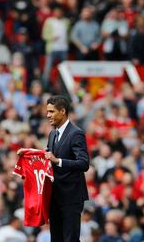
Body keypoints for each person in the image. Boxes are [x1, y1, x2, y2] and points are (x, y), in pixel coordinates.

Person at [45, 95, 90, 241]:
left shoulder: (76, 133)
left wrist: (58, 161)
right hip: (55, 195)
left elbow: (83, 163)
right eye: (48, 112)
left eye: (51, 112)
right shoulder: (52, 134)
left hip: (71, 196)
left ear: (62, 111)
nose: (48, 115)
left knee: (70, 239)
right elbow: (47, 159)